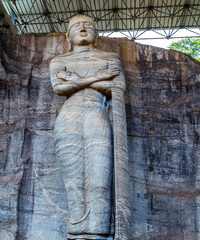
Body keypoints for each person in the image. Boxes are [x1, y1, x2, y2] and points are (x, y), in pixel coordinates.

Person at [50, 15, 124, 240]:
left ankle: (100, 232)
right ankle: (76, 233)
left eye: (88, 26)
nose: (82, 29)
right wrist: (100, 77)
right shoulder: (59, 60)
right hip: (69, 117)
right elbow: (58, 88)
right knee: (73, 179)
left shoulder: (110, 57)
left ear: (96, 33)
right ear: (68, 35)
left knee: (100, 178)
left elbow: (117, 87)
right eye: (76, 26)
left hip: (97, 112)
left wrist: (75, 80)